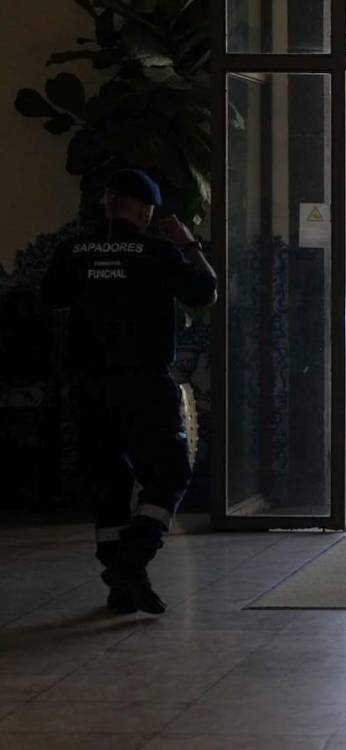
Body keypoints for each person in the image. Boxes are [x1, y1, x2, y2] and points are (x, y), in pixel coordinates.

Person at [41, 169, 218, 614]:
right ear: (145, 210)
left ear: (106, 205)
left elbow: (51, 296)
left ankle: (121, 582)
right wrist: (188, 244)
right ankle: (133, 559)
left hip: (87, 386)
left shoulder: (73, 251)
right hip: (143, 384)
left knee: (108, 481)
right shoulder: (158, 251)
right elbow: (205, 292)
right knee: (171, 472)